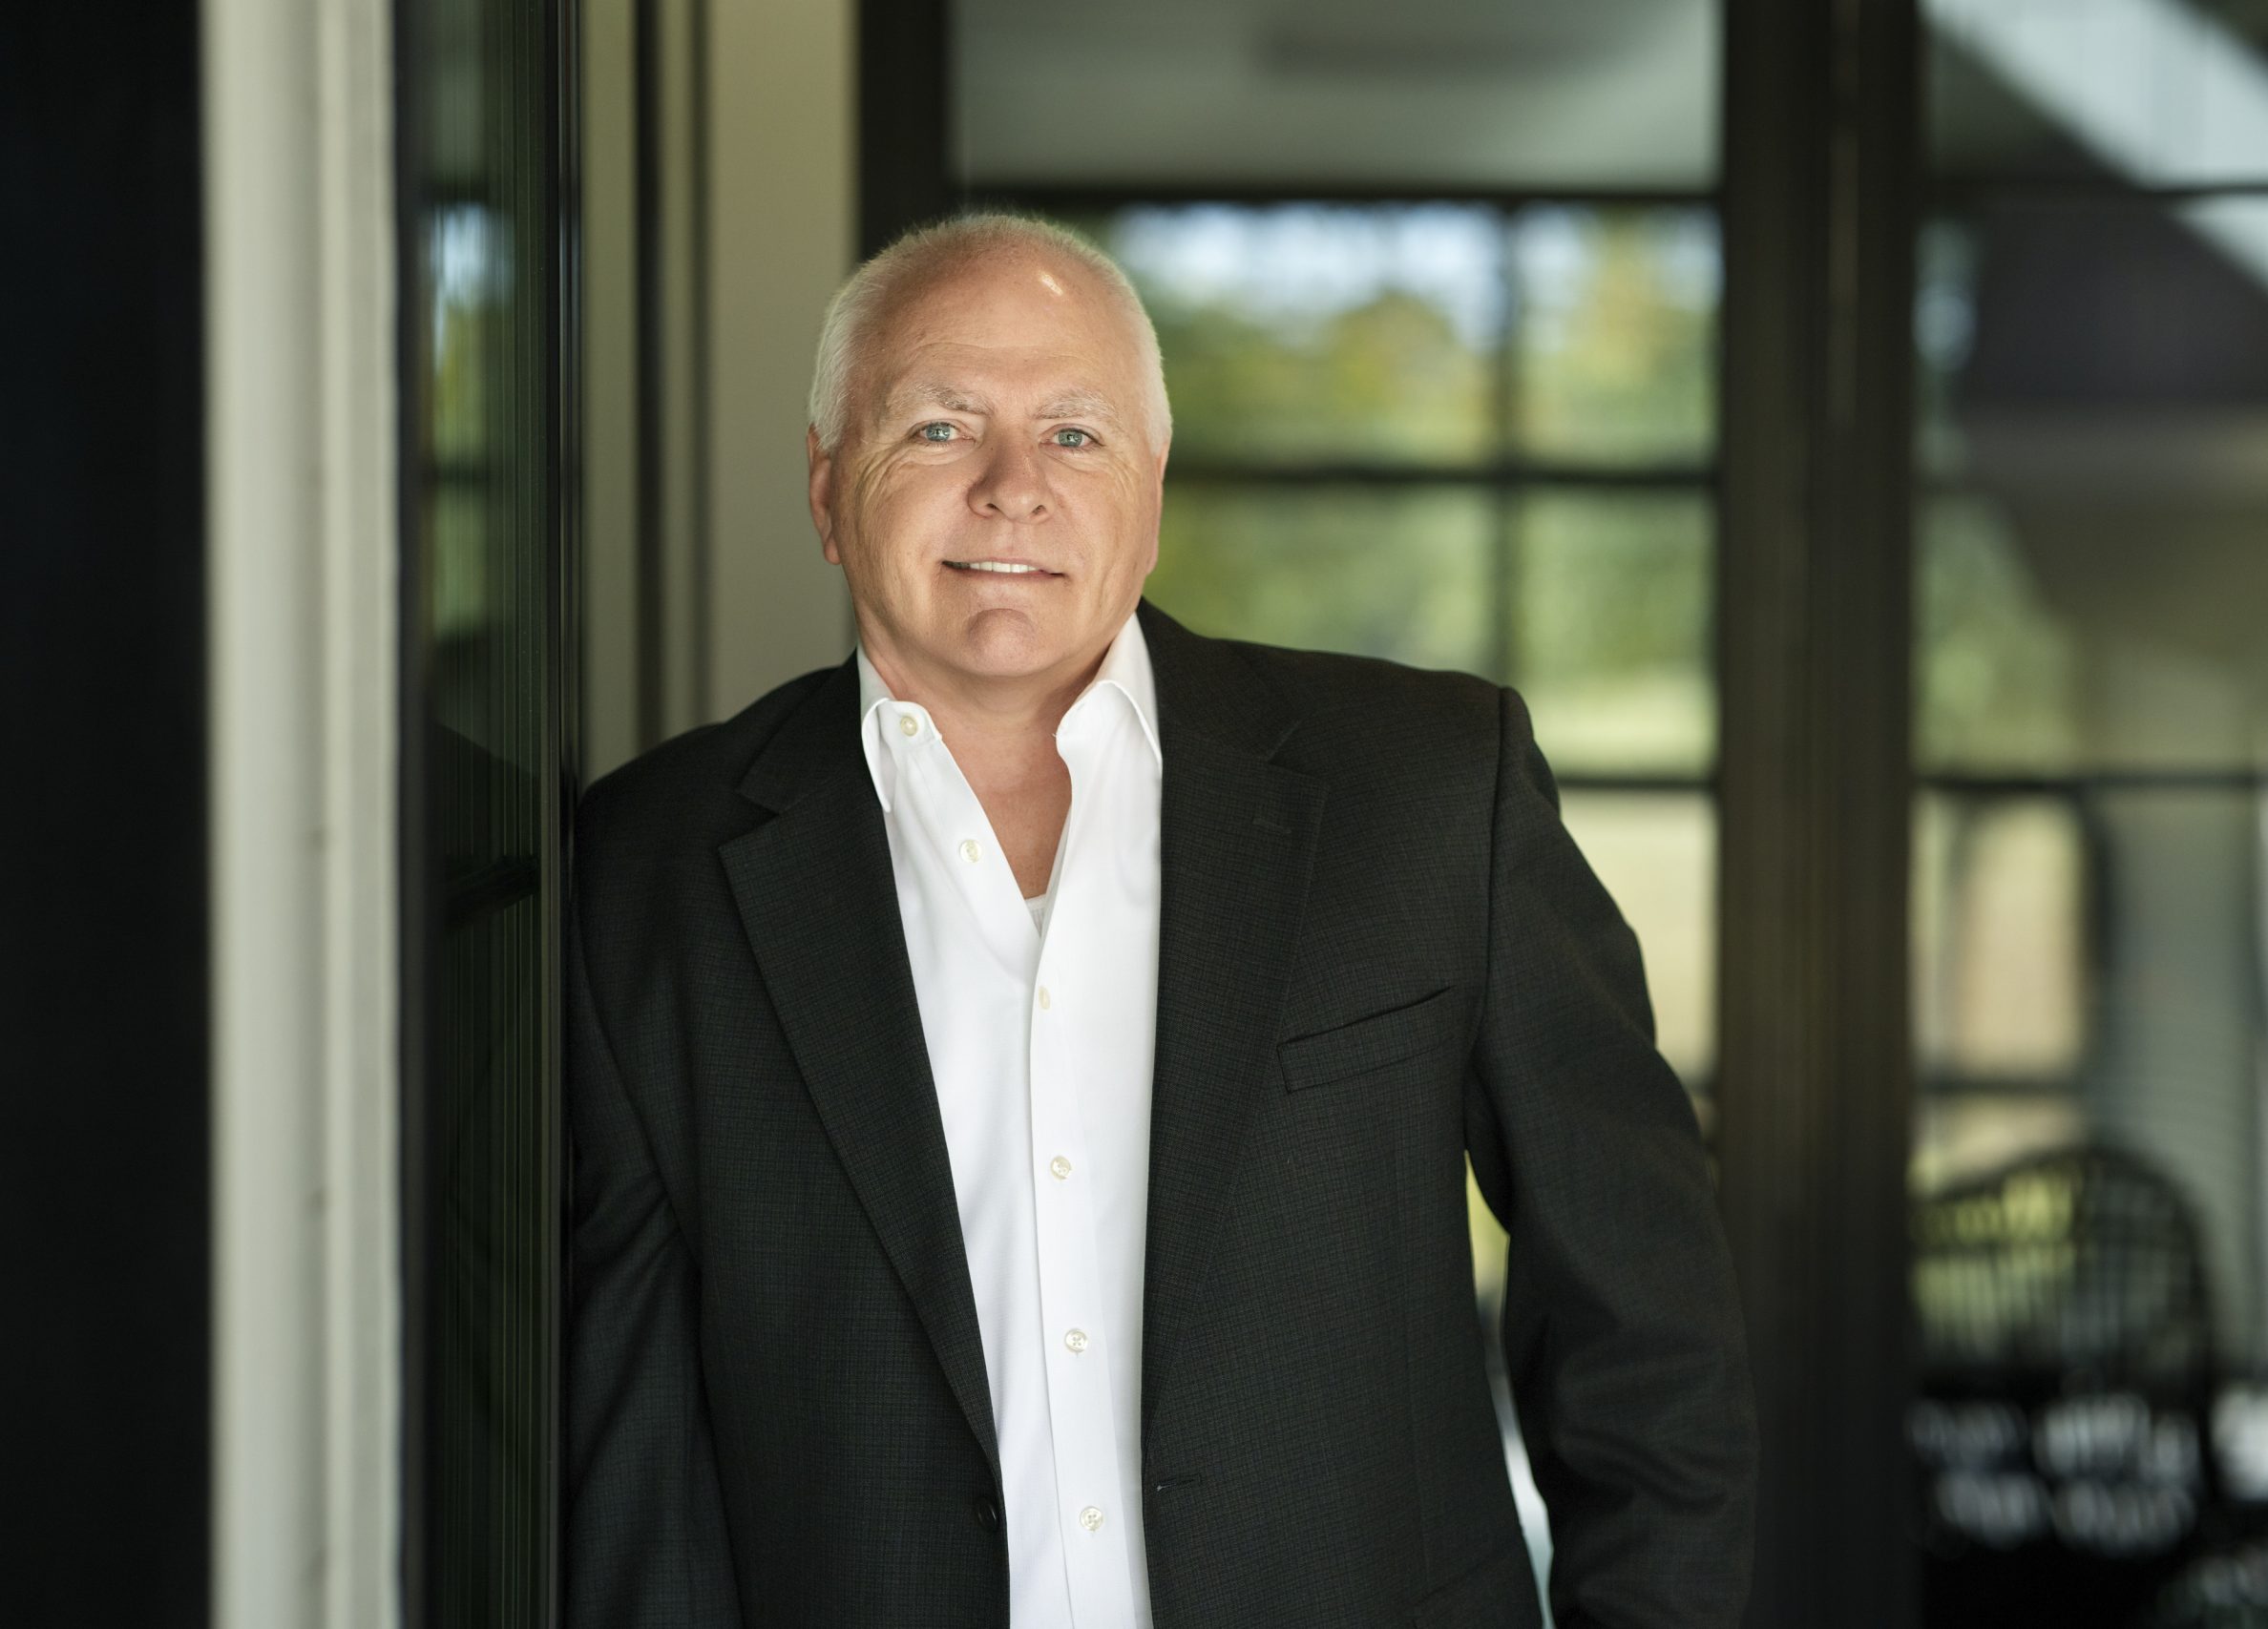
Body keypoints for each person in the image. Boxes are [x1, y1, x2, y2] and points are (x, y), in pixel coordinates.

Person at [563, 213, 1755, 1629]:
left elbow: (1645, 1323)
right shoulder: (645, 869)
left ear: (1153, 486)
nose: (1013, 488)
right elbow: (634, 1479)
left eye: (1074, 435)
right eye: (941, 428)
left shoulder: (1429, 793)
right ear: (827, 487)